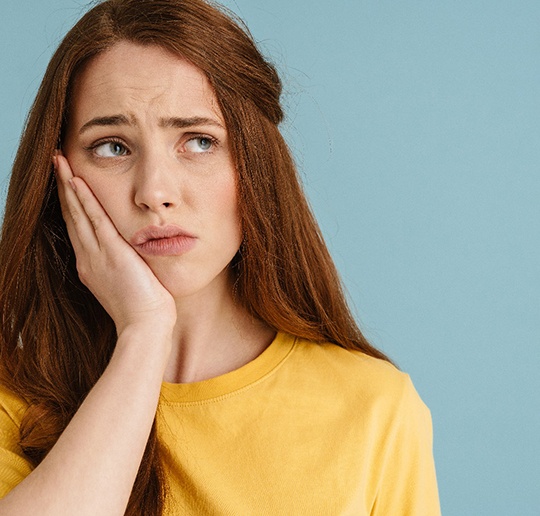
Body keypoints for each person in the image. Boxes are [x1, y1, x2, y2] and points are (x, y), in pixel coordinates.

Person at [0, 0, 440, 514]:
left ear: (254, 165)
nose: (155, 192)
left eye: (199, 141)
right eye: (112, 147)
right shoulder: (15, 399)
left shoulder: (373, 407)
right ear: (60, 175)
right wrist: (143, 332)